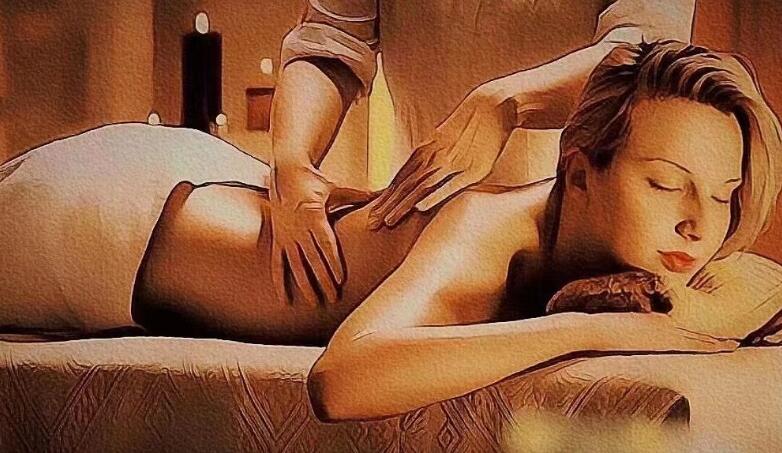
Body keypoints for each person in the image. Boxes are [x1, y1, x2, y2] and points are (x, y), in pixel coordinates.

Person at [303, 40, 782, 422]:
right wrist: (590, 330)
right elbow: (341, 382)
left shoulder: (658, 256)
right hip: (259, 235)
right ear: (579, 175)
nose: (698, 226)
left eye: (722, 196)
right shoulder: (489, 226)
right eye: (666, 184)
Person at [270, 0, 698, 308]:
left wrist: (512, 103)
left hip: (580, 246)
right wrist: (291, 161)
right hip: (427, 225)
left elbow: (648, 54)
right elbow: (332, 41)